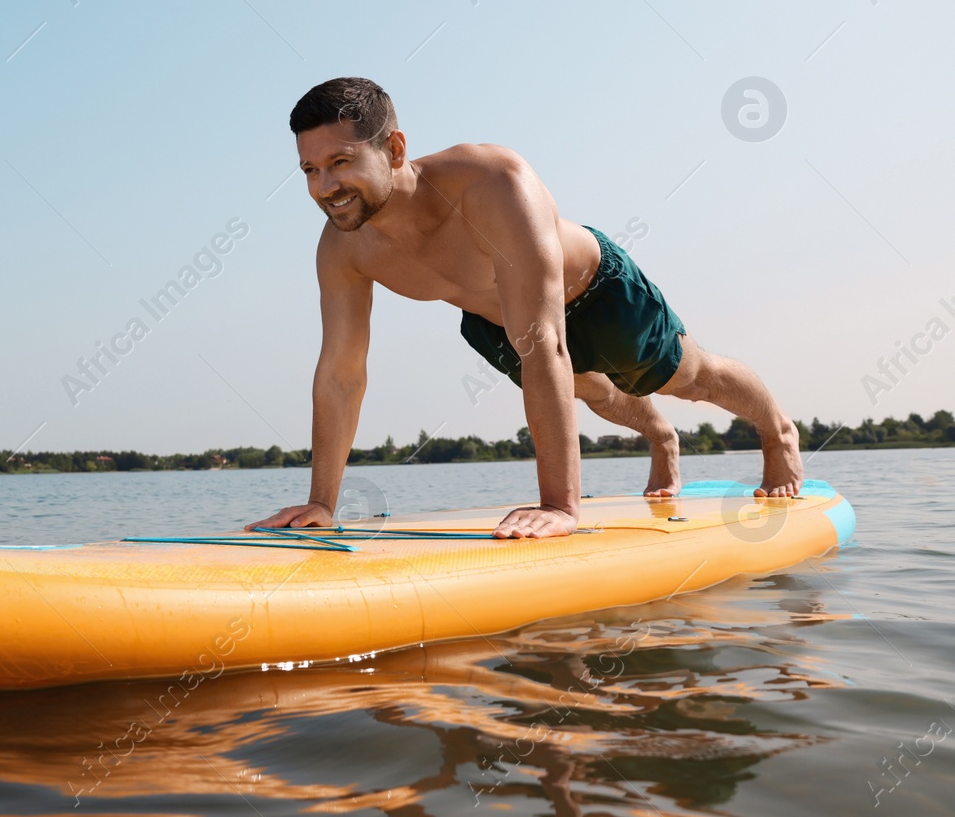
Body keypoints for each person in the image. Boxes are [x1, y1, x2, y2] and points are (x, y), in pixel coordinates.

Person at [247, 77, 803, 539]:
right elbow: (342, 374)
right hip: (495, 322)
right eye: (310, 171)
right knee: (593, 391)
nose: (325, 186)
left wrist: (560, 506)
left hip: (592, 290)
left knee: (688, 376)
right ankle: (662, 437)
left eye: (340, 162)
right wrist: (322, 501)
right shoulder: (343, 247)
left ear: (393, 150)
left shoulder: (492, 182)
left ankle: (778, 432)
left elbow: (546, 341)